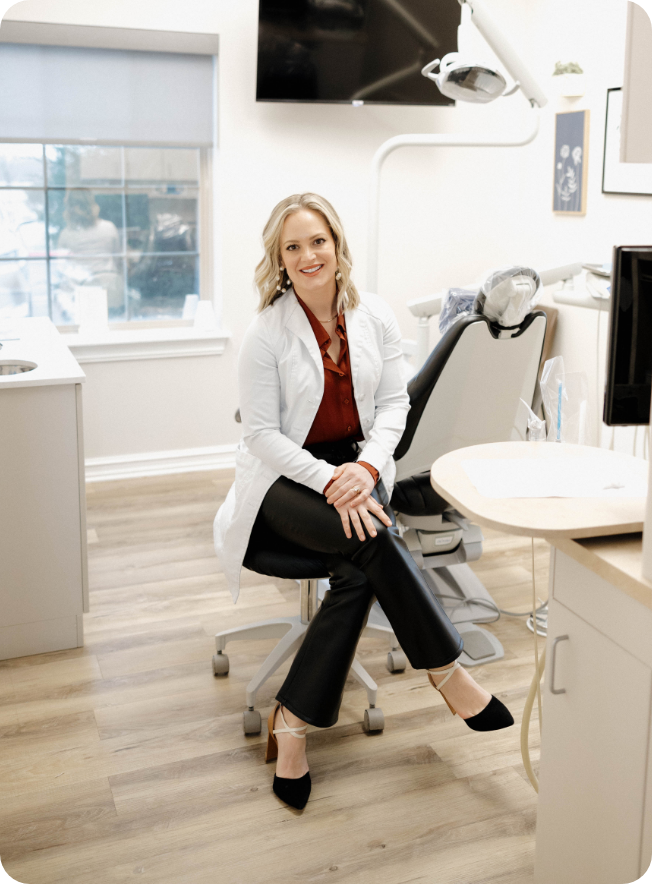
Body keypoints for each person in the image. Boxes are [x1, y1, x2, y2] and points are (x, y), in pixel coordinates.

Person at [214, 193, 513, 811]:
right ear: (279, 259)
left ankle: (291, 724)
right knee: (375, 538)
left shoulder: (372, 315)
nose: (307, 255)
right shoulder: (266, 333)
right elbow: (261, 436)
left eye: (316, 241)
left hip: (359, 464)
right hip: (284, 480)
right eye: (291, 247)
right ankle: (449, 673)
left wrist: (365, 467)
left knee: (357, 568)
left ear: (336, 244)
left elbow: (395, 406)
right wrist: (329, 480)